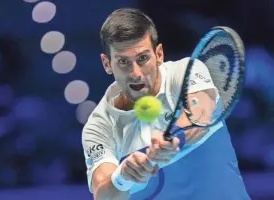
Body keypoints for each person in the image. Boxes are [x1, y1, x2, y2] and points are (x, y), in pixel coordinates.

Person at [82, 8, 250, 200]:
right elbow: (102, 194)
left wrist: (174, 140)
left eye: (143, 58)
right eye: (123, 61)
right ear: (106, 63)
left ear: (159, 54)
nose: (135, 72)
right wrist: (122, 177)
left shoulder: (186, 72)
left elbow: (201, 113)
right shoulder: (98, 125)